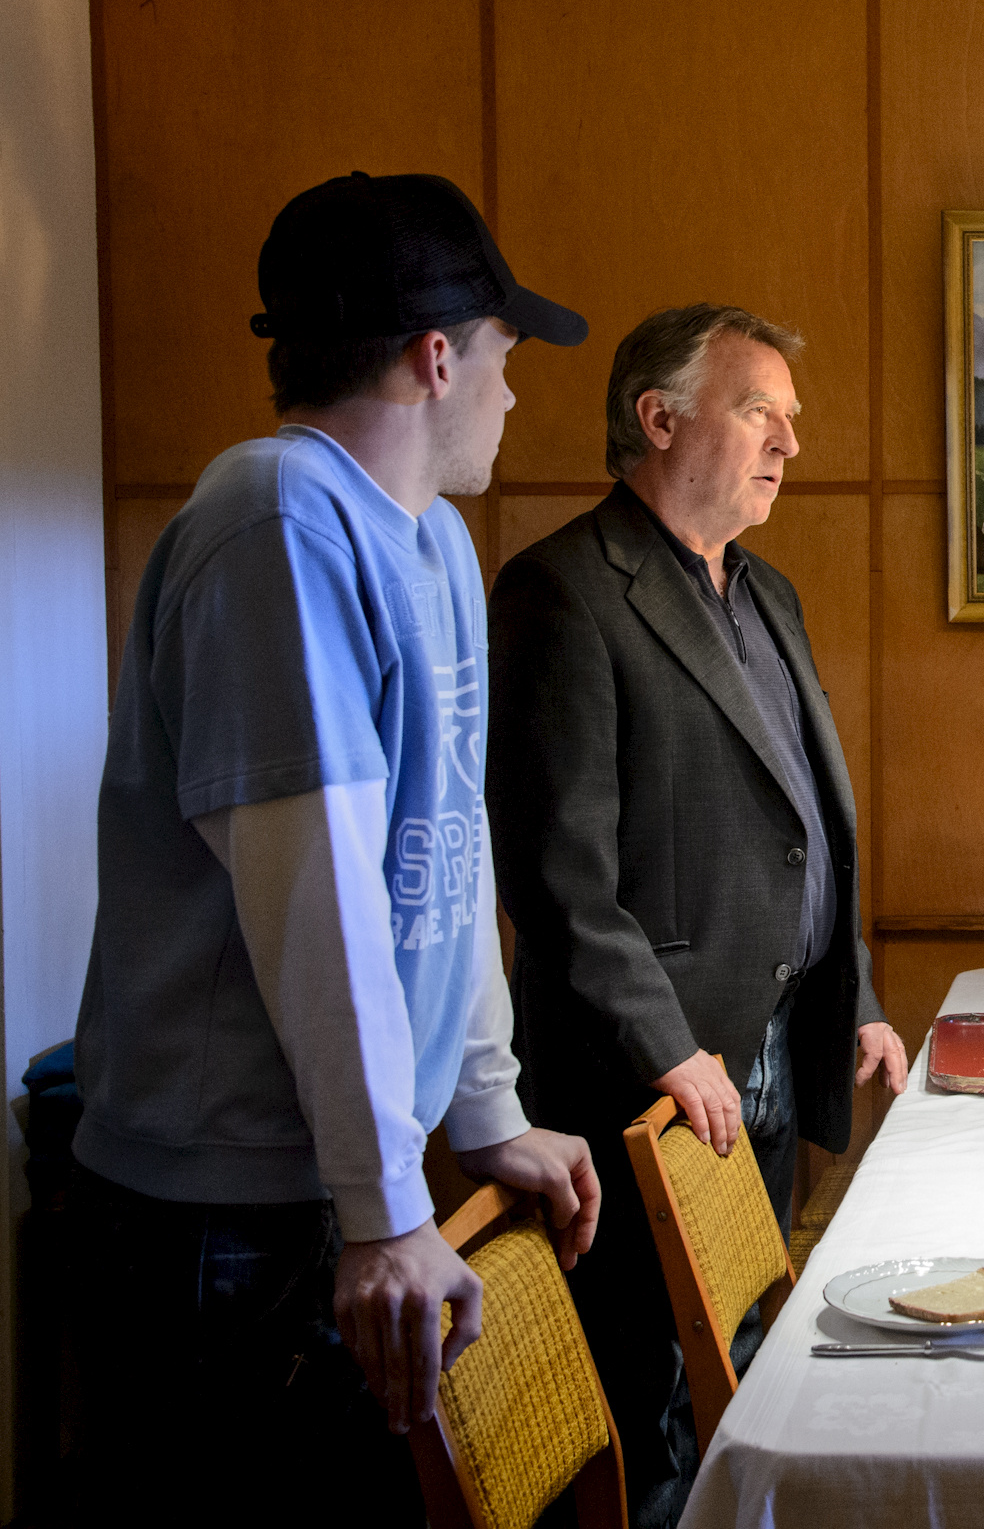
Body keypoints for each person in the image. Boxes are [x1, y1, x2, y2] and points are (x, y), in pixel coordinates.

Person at [64, 172, 598, 1524]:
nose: (511, 392)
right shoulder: (276, 517)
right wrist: (381, 1205)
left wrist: (486, 1109)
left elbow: (448, 855)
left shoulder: (432, 543)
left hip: (346, 1183)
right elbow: (318, 894)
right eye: (503, 356)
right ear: (437, 356)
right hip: (227, 1208)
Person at [488, 303, 907, 1526]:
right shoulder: (563, 589)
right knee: (645, 1405)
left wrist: (862, 995)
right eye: (757, 409)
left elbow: (805, 824)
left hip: (770, 1049)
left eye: (791, 418)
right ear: (657, 418)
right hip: (643, 1078)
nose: (788, 442)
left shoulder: (764, 589)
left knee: (737, 1362)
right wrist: (668, 1047)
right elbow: (559, 872)